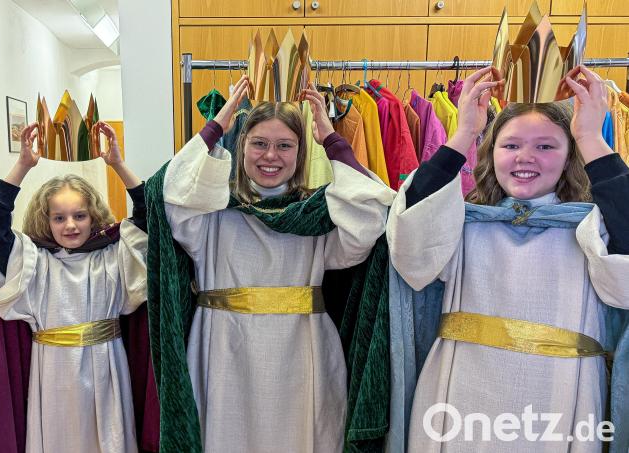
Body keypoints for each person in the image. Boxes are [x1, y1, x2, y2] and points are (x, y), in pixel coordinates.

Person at [387, 66, 629, 452]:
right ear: (490, 152)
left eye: (546, 146)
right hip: (458, 397)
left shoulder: (591, 230)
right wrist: (463, 133)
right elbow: (411, 246)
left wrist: (589, 137)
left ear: (570, 158)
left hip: (558, 401)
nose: (525, 158)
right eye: (511, 145)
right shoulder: (462, 224)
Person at [152, 75, 395, 452]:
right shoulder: (211, 213)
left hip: (301, 349)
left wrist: (332, 140)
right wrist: (217, 128)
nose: (271, 156)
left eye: (285, 146)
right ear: (242, 145)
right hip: (223, 347)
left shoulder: (319, 214)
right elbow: (169, 194)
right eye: (259, 143)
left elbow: (369, 219)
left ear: (300, 153)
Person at [0, 121, 148, 453]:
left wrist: (117, 165)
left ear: (93, 215)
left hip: (106, 365)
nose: (70, 225)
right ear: (46, 220)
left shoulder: (112, 253)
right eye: (59, 217)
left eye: (80, 216)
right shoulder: (32, 261)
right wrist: (23, 165)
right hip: (53, 371)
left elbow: (148, 214)